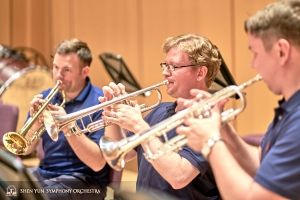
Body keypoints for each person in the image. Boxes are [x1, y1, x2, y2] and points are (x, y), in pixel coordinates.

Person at [176, 1, 300, 199]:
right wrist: (222, 127)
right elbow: (261, 163)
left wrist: (211, 141)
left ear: (282, 52)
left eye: (256, 53)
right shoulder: (290, 108)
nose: (253, 65)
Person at [99, 34, 222, 200]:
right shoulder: (160, 110)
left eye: (174, 67)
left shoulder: (209, 121)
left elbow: (179, 177)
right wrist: (112, 114)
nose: (165, 73)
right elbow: (120, 154)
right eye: (165, 65)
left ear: (200, 72)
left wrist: (140, 126)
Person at [23, 38, 110, 200]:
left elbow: (98, 163)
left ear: (84, 72)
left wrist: (68, 126)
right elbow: (25, 149)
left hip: (85, 181)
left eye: (67, 70)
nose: (58, 75)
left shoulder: (100, 103)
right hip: (45, 173)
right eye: (56, 67)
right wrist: (34, 125)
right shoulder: (46, 96)